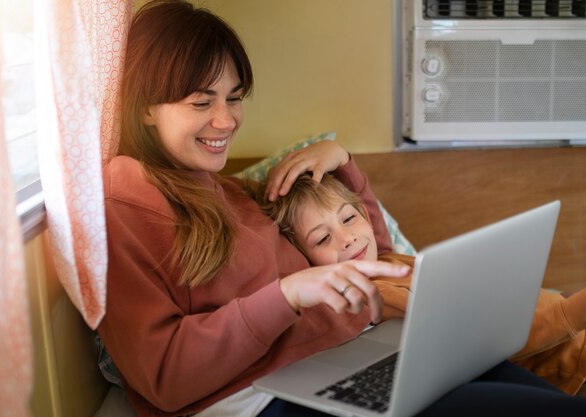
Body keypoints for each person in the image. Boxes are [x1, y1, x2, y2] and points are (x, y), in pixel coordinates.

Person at [98, 1, 586, 416]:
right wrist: (287, 295)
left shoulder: (226, 189)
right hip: (266, 398)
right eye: (201, 103)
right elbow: (161, 375)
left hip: (352, 355)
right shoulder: (127, 194)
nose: (225, 120)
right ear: (145, 106)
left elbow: (380, 260)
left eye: (233, 98)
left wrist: (345, 165)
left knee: (529, 386)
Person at [251, 172, 586, 396]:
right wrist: (574, 310)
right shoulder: (372, 295)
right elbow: (493, 341)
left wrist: (339, 157)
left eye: (350, 218)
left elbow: (367, 205)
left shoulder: (386, 259)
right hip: (567, 356)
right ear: (306, 263)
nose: (348, 239)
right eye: (323, 238)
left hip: (558, 322)